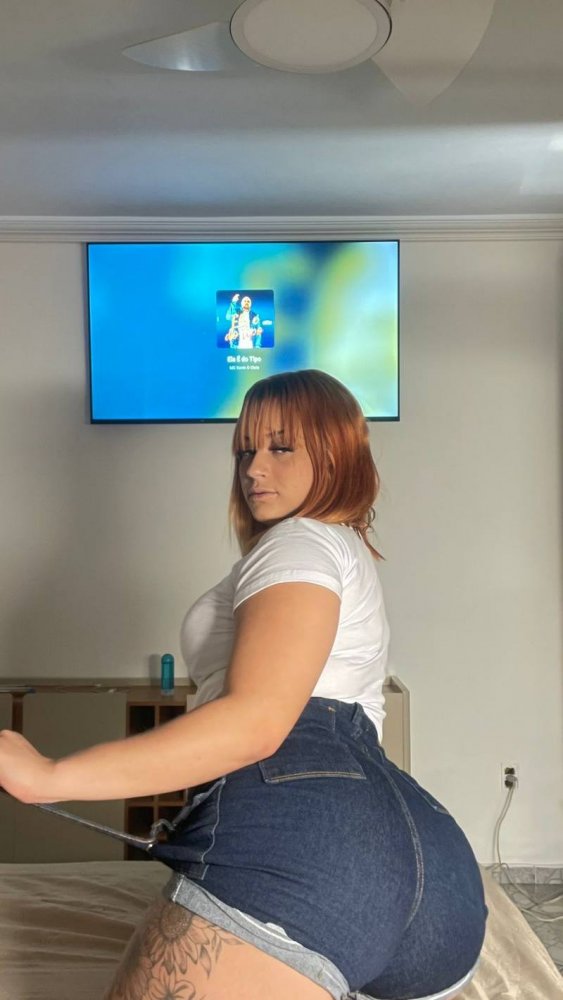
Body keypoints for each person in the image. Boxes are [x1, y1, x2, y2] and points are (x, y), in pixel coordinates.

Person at [0, 370, 487, 1000]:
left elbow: (255, 723)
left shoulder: (298, 542)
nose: (254, 468)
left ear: (334, 455)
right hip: (435, 874)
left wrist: (48, 777)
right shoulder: (341, 549)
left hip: (315, 839)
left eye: (281, 447)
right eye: (244, 451)